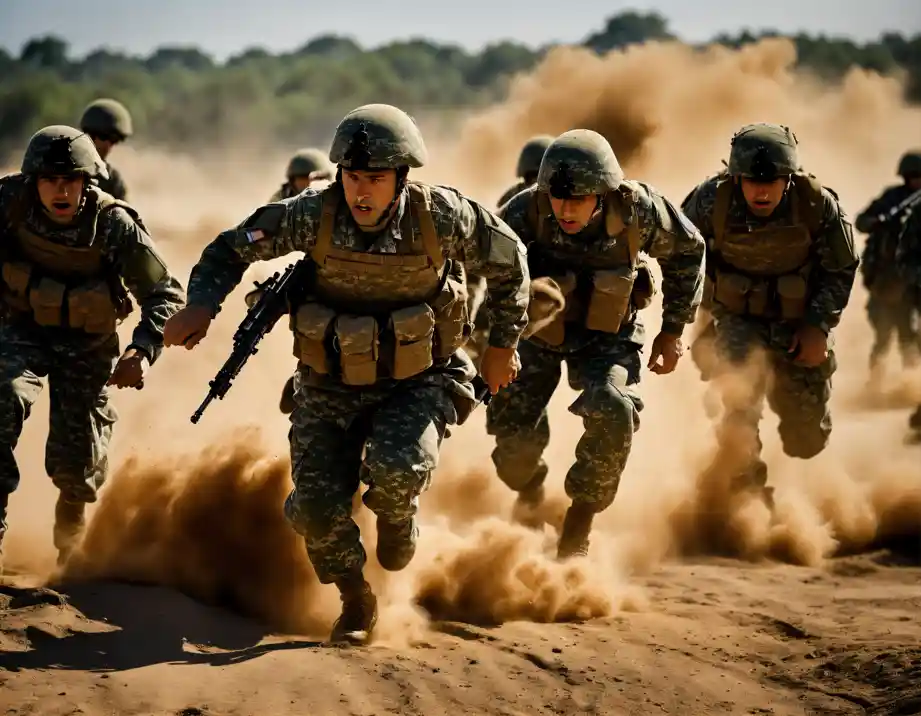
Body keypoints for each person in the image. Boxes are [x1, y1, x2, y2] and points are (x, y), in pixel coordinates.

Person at [161, 103, 529, 645]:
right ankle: (356, 599)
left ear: (401, 177)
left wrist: (503, 344)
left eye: (375, 179)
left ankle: (397, 516)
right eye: (352, 176)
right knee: (312, 510)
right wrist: (202, 304)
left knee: (395, 471)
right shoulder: (312, 215)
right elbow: (230, 249)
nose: (361, 191)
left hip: (417, 380)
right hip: (327, 383)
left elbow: (510, 259)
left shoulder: (441, 216)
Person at [489, 129, 706, 559]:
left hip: (609, 336)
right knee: (513, 453)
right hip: (536, 337)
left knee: (614, 408)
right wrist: (495, 346)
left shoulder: (639, 210)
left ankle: (579, 524)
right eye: (558, 198)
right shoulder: (523, 212)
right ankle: (530, 492)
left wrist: (672, 330)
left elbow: (687, 250)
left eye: (579, 199)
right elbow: (488, 271)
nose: (566, 209)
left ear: (604, 194)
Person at [0, 125, 185, 567]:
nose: (60, 191)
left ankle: (70, 542)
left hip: (88, 343)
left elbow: (165, 294)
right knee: (3, 396)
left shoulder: (113, 223)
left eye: (71, 180)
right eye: (50, 180)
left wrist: (141, 351)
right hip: (22, 329)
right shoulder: (9, 203)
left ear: (87, 181)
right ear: (33, 181)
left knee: (78, 457)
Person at [682, 123, 859, 508]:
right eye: (751, 181)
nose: (761, 192)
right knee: (738, 400)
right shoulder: (711, 201)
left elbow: (841, 267)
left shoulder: (816, 204)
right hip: (736, 320)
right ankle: (746, 495)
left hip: (799, 323)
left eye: (771, 182)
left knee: (806, 440)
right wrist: (698, 318)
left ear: (788, 179)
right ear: (736, 177)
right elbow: (680, 252)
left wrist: (818, 326)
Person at [466, 135, 554, 370]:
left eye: (541, 178)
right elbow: (486, 249)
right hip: (515, 284)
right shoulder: (514, 204)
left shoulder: (568, 204)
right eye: (531, 178)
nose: (535, 185)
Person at [270, 148, 335, 412]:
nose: (307, 185)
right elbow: (262, 234)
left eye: (313, 179)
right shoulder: (286, 203)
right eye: (301, 180)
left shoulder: (342, 201)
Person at [854, 151, 921, 373]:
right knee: (882, 336)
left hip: (912, 282)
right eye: (912, 176)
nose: (916, 181)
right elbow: (861, 222)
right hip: (886, 280)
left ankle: (911, 381)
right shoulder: (892, 198)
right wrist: (879, 222)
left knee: (908, 337)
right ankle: (876, 382)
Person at [79, 98, 133, 201]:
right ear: (90, 135)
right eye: (105, 137)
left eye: (114, 140)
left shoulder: (111, 179)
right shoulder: (61, 170)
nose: (108, 146)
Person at [270, 148, 334, 203]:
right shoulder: (280, 202)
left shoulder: (336, 199)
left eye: (317, 178)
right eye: (304, 179)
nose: (309, 184)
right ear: (292, 182)